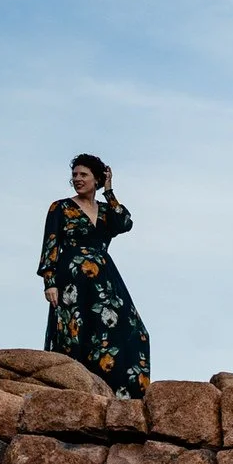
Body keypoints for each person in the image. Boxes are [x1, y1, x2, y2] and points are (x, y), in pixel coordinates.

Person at [39, 154, 152, 398]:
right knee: (76, 333)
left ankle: (122, 395)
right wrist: (50, 282)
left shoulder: (104, 211)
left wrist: (109, 191)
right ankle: (77, 391)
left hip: (104, 280)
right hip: (72, 281)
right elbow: (50, 245)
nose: (77, 179)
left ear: (96, 179)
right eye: (75, 175)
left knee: (135, 332)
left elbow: (124, 222)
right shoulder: (60, 207)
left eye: (84, 175)